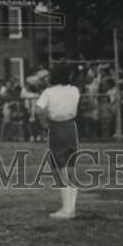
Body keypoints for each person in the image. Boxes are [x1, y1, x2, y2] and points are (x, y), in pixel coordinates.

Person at [35, 61, 80, 220]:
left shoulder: (49, 91)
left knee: (58, 167)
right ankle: (71, 208)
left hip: (56, 128)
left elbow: (38, 109)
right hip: (71, 127)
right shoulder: (75, 89)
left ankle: (66, 209)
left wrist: (44, 124)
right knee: (70, 166)